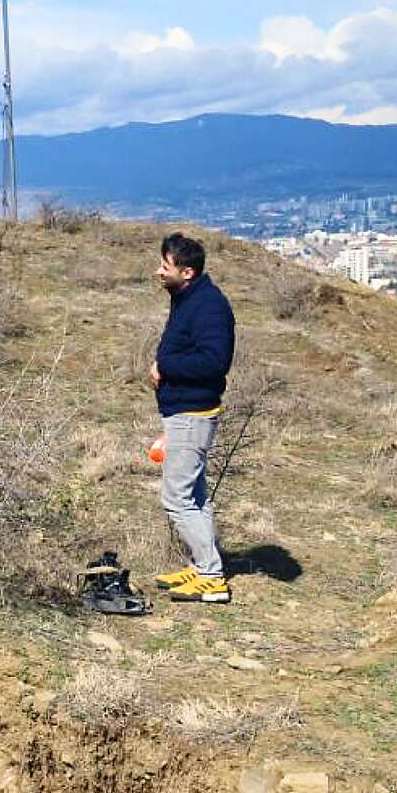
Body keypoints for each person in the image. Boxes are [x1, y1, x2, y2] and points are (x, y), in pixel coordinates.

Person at [149, 232, 236, 604]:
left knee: (177, 498)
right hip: (182, 410)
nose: (158, 272)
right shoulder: (188, 297)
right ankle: (203, 568)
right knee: (195, 495)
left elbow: (215, 362)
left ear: (186, 271)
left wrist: (165, 365)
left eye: (165, 267)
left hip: (192, 413)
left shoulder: (209, 306)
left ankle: (212, 577)